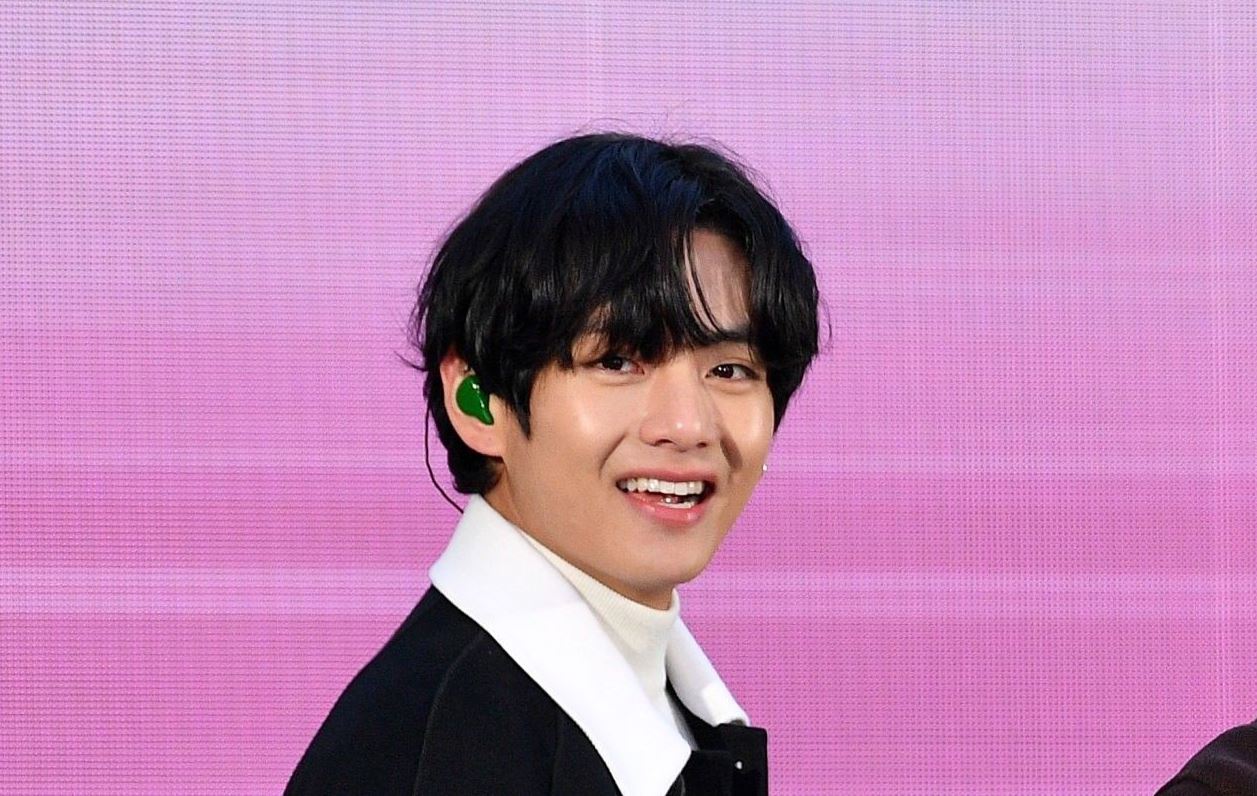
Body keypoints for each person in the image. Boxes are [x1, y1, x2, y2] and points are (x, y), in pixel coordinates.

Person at [286, 133, 820, 795]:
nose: (687, 426)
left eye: (730, 370)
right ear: (480, 401)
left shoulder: (657, 705)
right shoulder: (451, 752)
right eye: (617, 361)